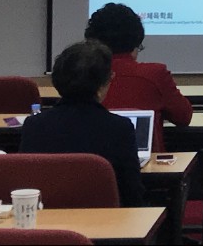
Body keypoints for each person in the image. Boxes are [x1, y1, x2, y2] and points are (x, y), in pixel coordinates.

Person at [20, 40, 145, 207]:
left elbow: (26, 185)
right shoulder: (120, 127)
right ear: (103, 83)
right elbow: (132, 194)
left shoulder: (34, 125)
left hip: (47, 218)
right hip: (107, 219)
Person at [84, 3, 193, 151]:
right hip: (144, 162)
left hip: (89, 159)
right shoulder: (155, 74)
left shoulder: (81, 73)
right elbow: (183, 117)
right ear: (136, 41)